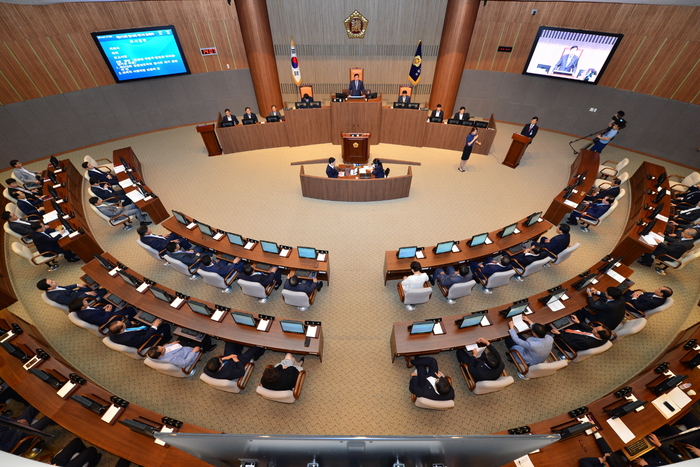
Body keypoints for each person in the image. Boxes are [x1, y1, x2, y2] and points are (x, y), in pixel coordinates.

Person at [106, 317, 171, 349]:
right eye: (123, 323)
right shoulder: (129, 338)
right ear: (121, 330)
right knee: (166, 326)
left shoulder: (111, 331)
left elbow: (122, 327)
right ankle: (165, 339)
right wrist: (154, 326)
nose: (124, 322)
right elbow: (145, 337)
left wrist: (129, 323)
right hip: (146, 341)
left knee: (146, 320)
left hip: (138, 333)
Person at [68, 297, 137, 326]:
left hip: (102, 312)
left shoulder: (81, 309)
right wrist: (108, 312)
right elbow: (103, 321)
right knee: (130, 309)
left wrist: (104, 309)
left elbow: (94, 310)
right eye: (84, 301)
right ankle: (134, 321)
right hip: (110, 319)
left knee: (113, 300)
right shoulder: (88, 315)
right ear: (82, 307)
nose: (86, 300)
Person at [37, 278, 106, 305]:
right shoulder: (58, 296)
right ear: (49, 288)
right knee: (104, 291)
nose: (54, 281)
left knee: (93, 284)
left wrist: (77, 285)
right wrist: (86, 293)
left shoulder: (53, 287)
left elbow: (65, 288)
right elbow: (73, 302)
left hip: (77, 293)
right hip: (81, 300)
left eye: (52, 280)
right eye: (52, 282)